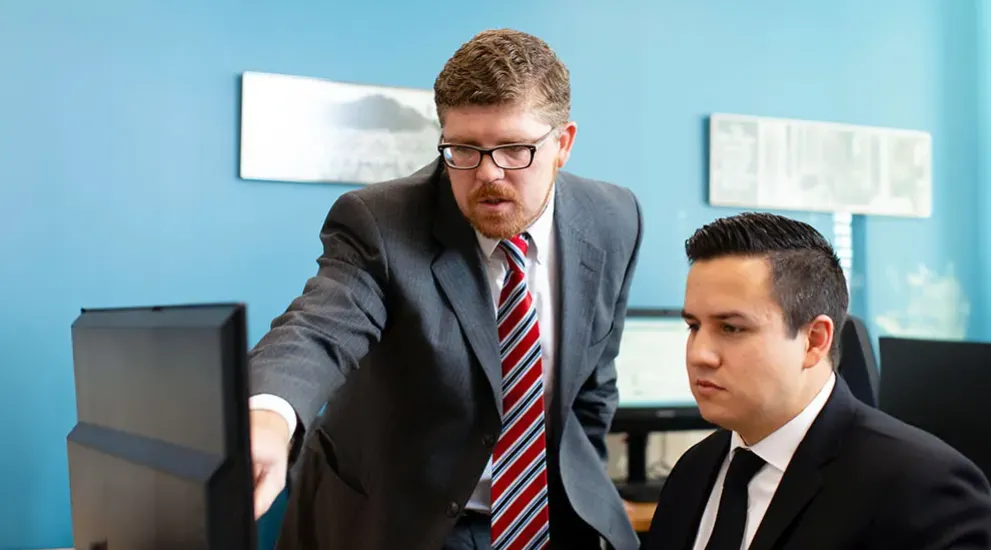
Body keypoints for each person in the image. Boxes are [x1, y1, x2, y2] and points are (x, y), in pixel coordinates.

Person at [248, 28, 643, 550]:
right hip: (402, 518)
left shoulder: (614, 220)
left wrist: (575, 487)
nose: (488, 174)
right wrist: (269, 418)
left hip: (543, 515)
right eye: (464, 149)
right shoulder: (381, 223)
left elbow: (592, 385)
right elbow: (320, 325)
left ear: (563, 144)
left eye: (515, 149)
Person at [644, 212, 991, 550]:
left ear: (814, 340)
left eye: (732, 328)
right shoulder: (695, 469)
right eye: (693, 326)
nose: (699, 354)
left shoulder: (921, 486)